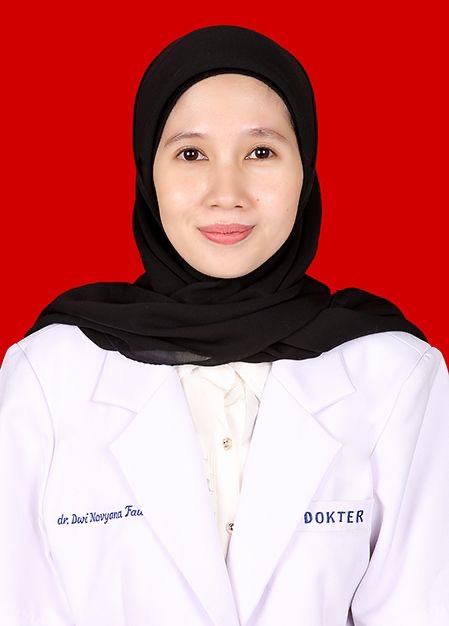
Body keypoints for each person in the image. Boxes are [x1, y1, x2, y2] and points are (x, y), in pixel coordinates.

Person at [0, 24, 448, 626]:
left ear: (305, 170)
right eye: (191, 154)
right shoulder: (49, 374)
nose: (226, 193)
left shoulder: (395, 373)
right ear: (148, 173)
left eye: (261, 152)